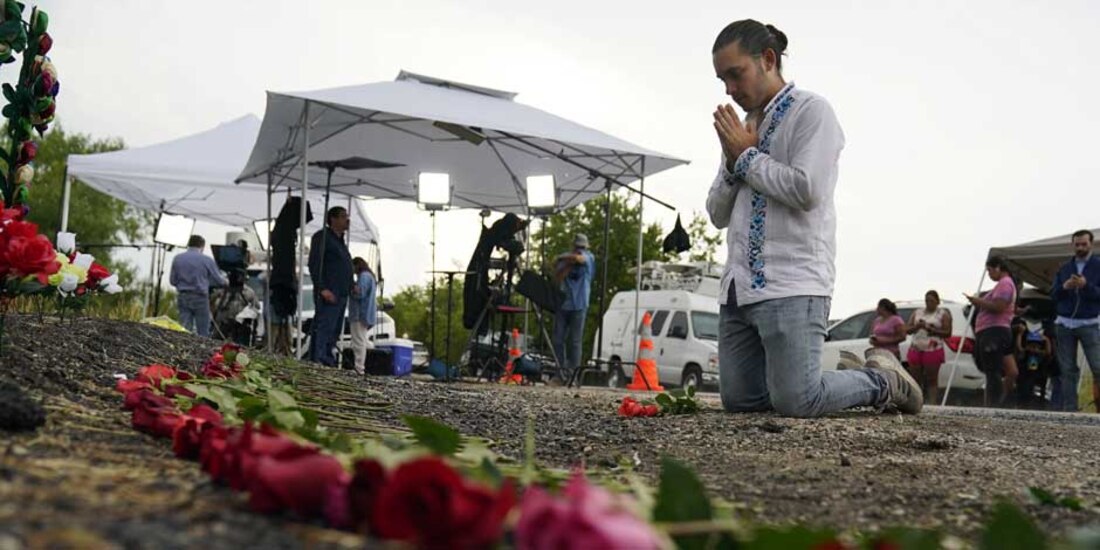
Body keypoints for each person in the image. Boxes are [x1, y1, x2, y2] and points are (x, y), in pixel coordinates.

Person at [705, 19, 922, 418]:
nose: (730, 91)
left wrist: (749, 157)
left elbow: (808, 190)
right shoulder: (742, 128)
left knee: (798, 401)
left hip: (793, 282)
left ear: (768, 60)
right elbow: (716, 214)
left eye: (736, 75)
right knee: (741, 402)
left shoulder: (812, 112)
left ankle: (884, 381)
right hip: (738, 289)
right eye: (723, 80)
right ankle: (827, 382)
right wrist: (736, 160)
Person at [1051, 229, 1100, 412]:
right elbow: (1054, 294)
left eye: (1084, 244)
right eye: (1077, 244)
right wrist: (1064, 287)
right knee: (1068, 369)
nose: (1080, 247)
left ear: (1091, 244)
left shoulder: (1098, 266)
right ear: (1072, 245)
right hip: (1064, 323)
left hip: (1089, 323)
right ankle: (1070, 409)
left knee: (1098, 366)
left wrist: (1086, 286)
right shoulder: (1065, 268)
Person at [966, 256, 1018, 407]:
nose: (989, 274)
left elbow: (999, 307)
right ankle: (1003, 399)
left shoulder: (1004, 284)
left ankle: (993, 403)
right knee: (1011, 370)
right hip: (1001, 329)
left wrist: (978, 302)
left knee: (992, 369)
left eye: (989, 270)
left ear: (998, 268)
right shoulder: (1006, 285)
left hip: (993, 330)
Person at [308, 206, 354, 367]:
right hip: (329, 292)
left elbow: (345, 266)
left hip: (341, 293)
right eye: (342, 217)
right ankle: (318, 359)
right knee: (324, 327)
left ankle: (327, 357)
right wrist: (322, 288)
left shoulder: (340, 241)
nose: (346, 220)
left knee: (333, 330)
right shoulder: (322, 237)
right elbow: (315, 264)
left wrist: (352, 284)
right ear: (333, 219)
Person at [552, 233, 595, 383]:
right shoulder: (566, 261)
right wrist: (565, 264)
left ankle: (572, 375)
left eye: (581, 248)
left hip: (580, 304)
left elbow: (580, 259)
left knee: (575, 342)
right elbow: (557, 274)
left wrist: (564, 258)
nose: (579, 250)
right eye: (577, 247)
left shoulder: (589, 257)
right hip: (563, 303)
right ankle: (560, 373)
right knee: (558, 340)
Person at [169, 235, 227, 337]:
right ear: (202, 246)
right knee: (203, 331)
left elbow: (173, 281)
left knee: (184, 328)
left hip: (183, 296)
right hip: (200, 297)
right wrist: (227, 281)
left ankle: (184, 349)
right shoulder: (206, 260)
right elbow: (220, 281)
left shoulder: (177, 258)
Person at [906, 290, 952, 405]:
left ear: (937, 301)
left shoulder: (942, 314)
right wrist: (917, 326)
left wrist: (931, 329)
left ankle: (932, 401)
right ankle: (917, 400)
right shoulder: (918, 312)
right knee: (915, 377)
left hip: (933, 347)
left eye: (931, 301)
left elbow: (947, 332)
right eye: (927, 300)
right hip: (916, 346)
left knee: (931, 378)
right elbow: (907, 329)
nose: (928, 303)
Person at [210, 269, 261, 345]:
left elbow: (256, 307)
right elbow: (212, 303)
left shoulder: (248, 292)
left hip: (240, 326)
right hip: (222, 324)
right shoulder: (222, 291)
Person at [348, 257, 378, 375]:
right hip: (365, 314)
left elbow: (359, 293)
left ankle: (359, 367)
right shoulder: (370, 276)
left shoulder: (364, 276)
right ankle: (360, 367)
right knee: (362, 340)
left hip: (359, 313)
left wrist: (351, 289)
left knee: (358, 341)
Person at [1014, 320, 1052, 409]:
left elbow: (1048, 352)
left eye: (1036, 346)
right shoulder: (1026, 352)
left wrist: (1047, 340)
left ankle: (1038, 404)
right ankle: (1021, 404)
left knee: (1036, 389)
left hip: (1037, 376)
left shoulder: (1040, 354)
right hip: (1025, 376)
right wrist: (1020, 334)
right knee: (1023, 389)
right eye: (1031, 345)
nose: (1033, 348)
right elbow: (1019, 347)